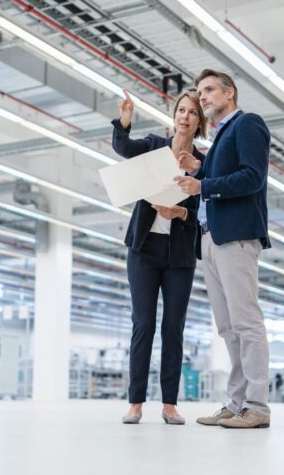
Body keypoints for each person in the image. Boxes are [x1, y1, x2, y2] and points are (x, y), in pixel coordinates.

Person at [175, 68, 271, 429]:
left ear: (230, 93)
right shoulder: (220, 137)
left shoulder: (248, 124)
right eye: (200, 92)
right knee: (228, 328)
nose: (203, 97)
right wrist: (200, 169)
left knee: (246, 323)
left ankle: (258, 406)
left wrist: (203, 185)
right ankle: (237, 402)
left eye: (210, 90)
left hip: (236, 236)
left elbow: (253, 176)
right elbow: (219, 178)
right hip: (211, 237)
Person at [113, 89, 206, 425]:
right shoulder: (154, 146)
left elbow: (204, 212)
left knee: (173, 328)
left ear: (199, 122)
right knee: (144, 324)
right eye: (181, 110)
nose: (185, 116)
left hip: (179, 255)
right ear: (174, 116)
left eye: (192, 113)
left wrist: (180, 214)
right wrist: (124, 123)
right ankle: (135, 402)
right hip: (143, 250)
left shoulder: (203, 165)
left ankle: (169, 404)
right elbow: (123, 149)